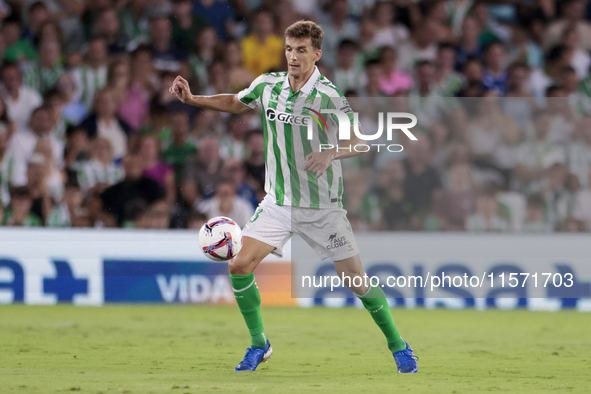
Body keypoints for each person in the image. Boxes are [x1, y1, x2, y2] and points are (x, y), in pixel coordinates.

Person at [170, 20, 418, 373]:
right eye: (289, 49)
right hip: (279, 202)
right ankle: (259, 344)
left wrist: (330, 152)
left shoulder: (329, 96)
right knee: (239, 265)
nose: (293, 56)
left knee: (357, 282)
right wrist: (194, 99)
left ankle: (399, 345)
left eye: (301, 50)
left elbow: (360, 141)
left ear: (316, 54)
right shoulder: (268, 85)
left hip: (323, 208)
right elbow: (236, 102)